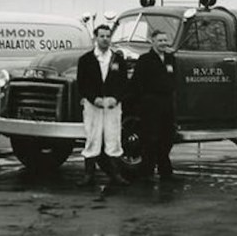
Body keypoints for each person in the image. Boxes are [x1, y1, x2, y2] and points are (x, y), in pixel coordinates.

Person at [75, 24, 130, 187]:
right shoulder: (85, 60)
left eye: (108, 36)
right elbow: (81, 84)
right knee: (93, 137)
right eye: (102, 36)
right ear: (95, 38)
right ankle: (88, 175)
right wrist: (93, 99)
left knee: (113, 137)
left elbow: (123, 83)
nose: (105, 39)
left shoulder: (117, 59)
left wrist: (117, 98)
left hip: (112, 105)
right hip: (93, 105)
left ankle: (116, 174)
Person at [130, 29, 179, 182]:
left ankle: (165, 170)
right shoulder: (145, 59)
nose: (163, 43)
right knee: (150, 138)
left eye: (165, 40)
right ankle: (147, 172)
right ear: (152, 42)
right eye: (160, 41)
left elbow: (175, 79)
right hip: (150, 103)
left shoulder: (170, 58)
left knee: (167, 137)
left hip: (167, 103)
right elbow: (137, 82)